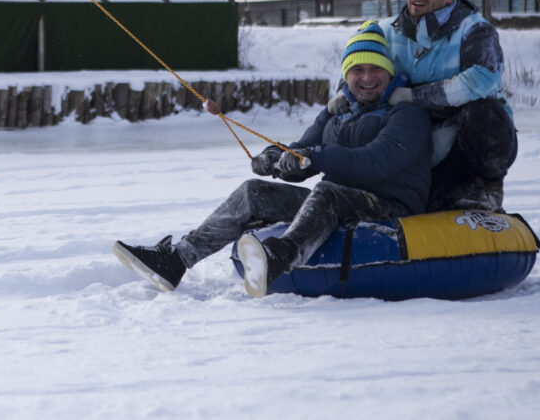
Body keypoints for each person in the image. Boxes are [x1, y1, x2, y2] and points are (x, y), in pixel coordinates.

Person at [112, 21, 432, 298]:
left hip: (390, 206)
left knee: (329, 192)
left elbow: (374, 162)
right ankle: (176, 261)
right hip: (337, 203)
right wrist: (277, 159)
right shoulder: (336, 113)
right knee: (254, 192)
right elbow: (304, 150)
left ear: (389, 73)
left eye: (376, 69)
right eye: (357, 69)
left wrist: (313, 157)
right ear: (346, 74)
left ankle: (279, 257)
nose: (367, 77)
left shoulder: (407, 114)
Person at [379, 0, 517, 212]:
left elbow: (483, 79)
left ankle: (484, 190)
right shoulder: (385, 31)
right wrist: (347, 94)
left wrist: (416, 96)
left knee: (483, 111)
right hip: (418, 142)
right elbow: (359, 67)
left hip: (467, 143)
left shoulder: (474, 29)